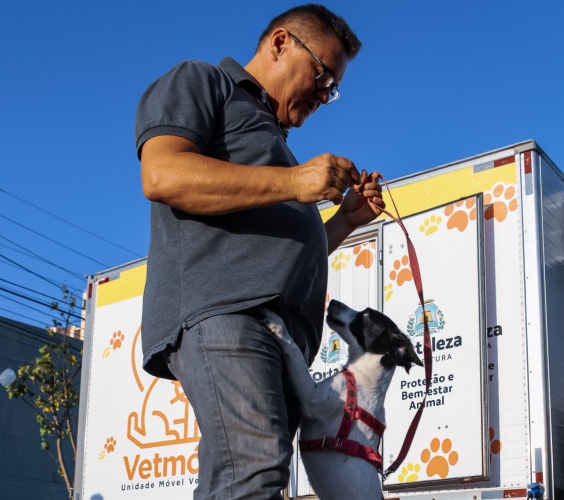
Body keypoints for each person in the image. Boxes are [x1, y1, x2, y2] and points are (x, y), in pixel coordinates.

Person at [134, 4, 384, 499]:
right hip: (230, 314)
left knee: (249, 473)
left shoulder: (275, 143)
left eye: (332, 88)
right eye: (322, 75)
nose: (325, 95)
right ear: (279, 43)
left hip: (282, 336)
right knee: (255, 467)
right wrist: (295, 180)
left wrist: (346, 220)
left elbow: (289, 253)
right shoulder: (205, 82)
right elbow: (162, 174)